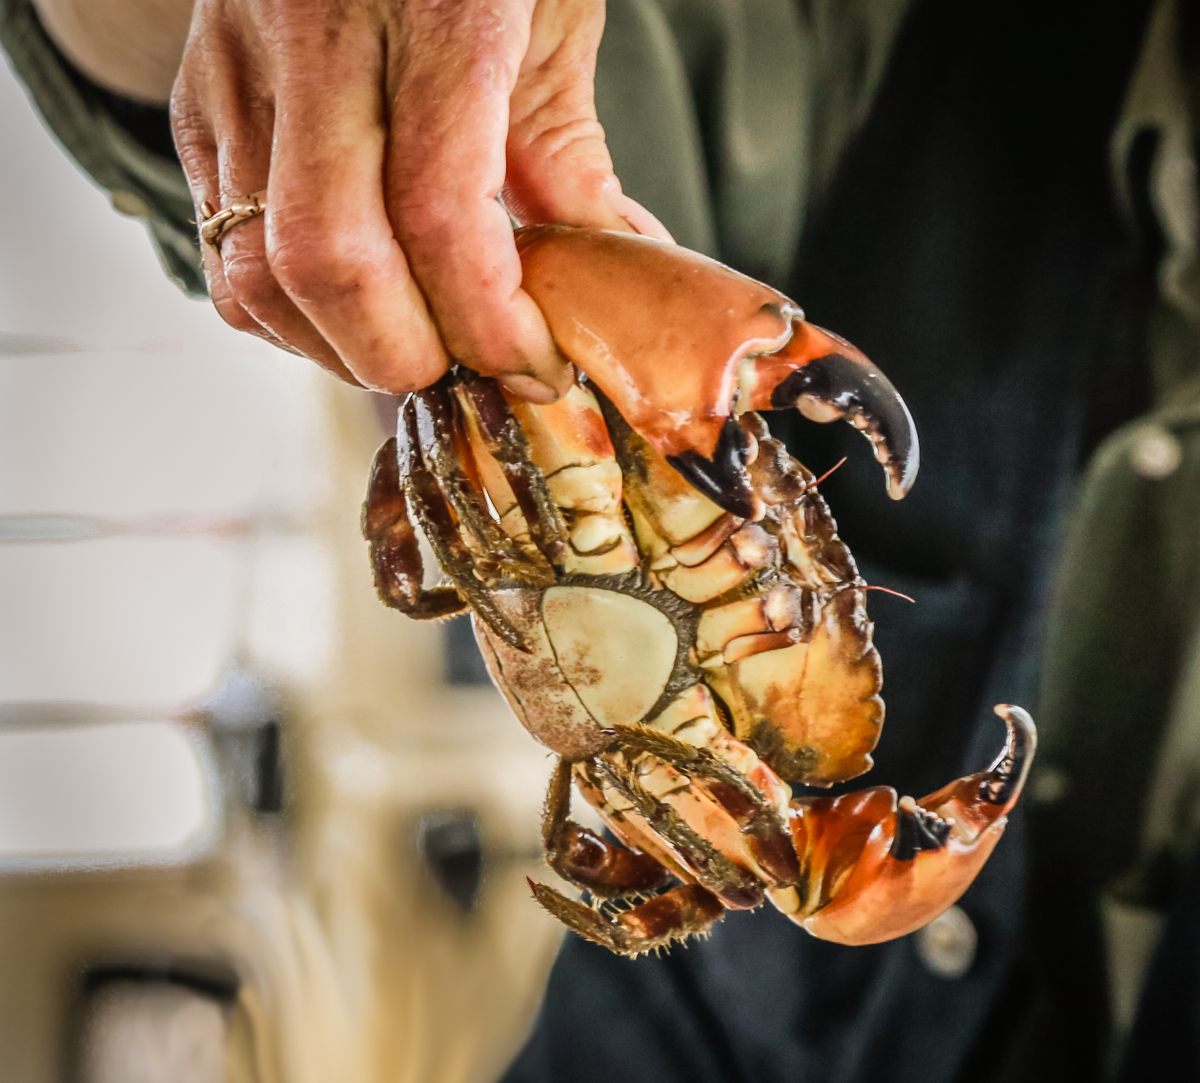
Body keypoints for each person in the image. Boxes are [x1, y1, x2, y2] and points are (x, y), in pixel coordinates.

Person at [3, 1, 1198, 1080]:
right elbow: (412, 135)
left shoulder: (720, 831)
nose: (775, 542)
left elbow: (687, 889)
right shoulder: (946, 58)